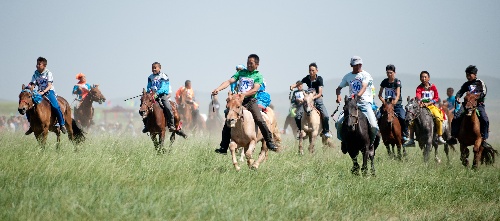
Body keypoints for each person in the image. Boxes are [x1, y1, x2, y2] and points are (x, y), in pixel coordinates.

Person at [212, 54, 278, 154]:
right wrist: (218, 89)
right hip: (239, 102)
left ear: (257, 64)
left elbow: (255, 90)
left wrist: (243, 94)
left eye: (251, 63)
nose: (249, 65)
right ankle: (223, 147)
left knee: (259, 119)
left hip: (251, 101)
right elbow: (229, 81)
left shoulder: (258, 75)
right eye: (247, 63)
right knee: (228, 120)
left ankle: (269, 141)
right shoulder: (241, 73)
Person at [335, 56, 379, 148]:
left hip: (364, 104)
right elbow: (339, 88)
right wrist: (338, 95)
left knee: (374, 126)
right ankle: (343, 140)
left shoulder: (366, 75)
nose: (358, 66)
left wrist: (357, 96)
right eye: (355, 65)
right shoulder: (348, 76)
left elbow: (364, 87)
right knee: (339, 122)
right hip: (352, 104)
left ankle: (370, 143)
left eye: (359, 64)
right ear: (352, 65)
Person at [448, 65, 490, 148]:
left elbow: (484, 92)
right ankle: (454, 136)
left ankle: (484, 139)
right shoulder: (466, 84)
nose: (468, 77)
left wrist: (476, 96)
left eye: (469, 75)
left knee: (485, 119)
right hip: (466, 105)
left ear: (475, 74)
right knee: (456, 117)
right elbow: (460, 92)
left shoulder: (479, 83)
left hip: (478, 105)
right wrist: (457, 97)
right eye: (467, 75)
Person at [25, 57, 67, 135]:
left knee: (55, 106)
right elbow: (33, 84)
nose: (37, 65)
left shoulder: (48, 73)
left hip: (49, 91)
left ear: (44, 65)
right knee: (29, 107)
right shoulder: (35, 73)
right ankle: (31, 126)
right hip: (39, 92)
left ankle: (62, 124)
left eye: (39, 64)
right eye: (37, 64)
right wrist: (31, 88)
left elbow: (49, 85)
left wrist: (43, 92)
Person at [289, 63, 333, 138]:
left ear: (316, 70)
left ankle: (325, 131)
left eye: (313, 70)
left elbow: (320, 93)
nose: (311, 72)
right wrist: (293, 86)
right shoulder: (307, 78)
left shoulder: (319, 79)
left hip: (317, 99)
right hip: (308, 100)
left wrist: (313, 97)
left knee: (326, 116)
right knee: (297, 115)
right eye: (310, 70)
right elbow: (300, 83)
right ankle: (300, 130)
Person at [404, 71, 446, 146]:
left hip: (431, 106)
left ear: (428, 78)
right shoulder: (419, 87)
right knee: (412, 120)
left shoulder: (433, 87)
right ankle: (411, 139)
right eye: (422, 77)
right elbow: (418, 96)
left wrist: (428, 103)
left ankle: (439, 137)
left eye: (425, 77)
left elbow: (436, 98)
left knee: (438, 118)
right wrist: (420, 102)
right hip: (421, 106)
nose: (423, 78)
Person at [378, 64, 408, 141]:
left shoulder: (397, 82)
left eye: (391, 72)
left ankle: (405, 132)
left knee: (403, 116)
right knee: (378, 116)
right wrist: (383, 101)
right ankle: (378, 133)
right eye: (387, 73)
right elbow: (380, 94)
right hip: (386, 105)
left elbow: (397, 95)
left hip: (396, 105)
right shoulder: (384, 82)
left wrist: (394, 102)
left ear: (394, 73)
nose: (389, 74)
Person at [142, 62, 175, 133]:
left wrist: (157, 93)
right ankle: (146, 125)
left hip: (162, 95)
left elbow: (164, 87)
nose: (153, 69)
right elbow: (148, 87)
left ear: (159, 68)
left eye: (155, 67)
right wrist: (149, 92)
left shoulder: (164, 76)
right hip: (152, 95)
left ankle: (171, 124)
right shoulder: (150, 77)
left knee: (168, 107)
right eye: (152, 68)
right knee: (144, 107)